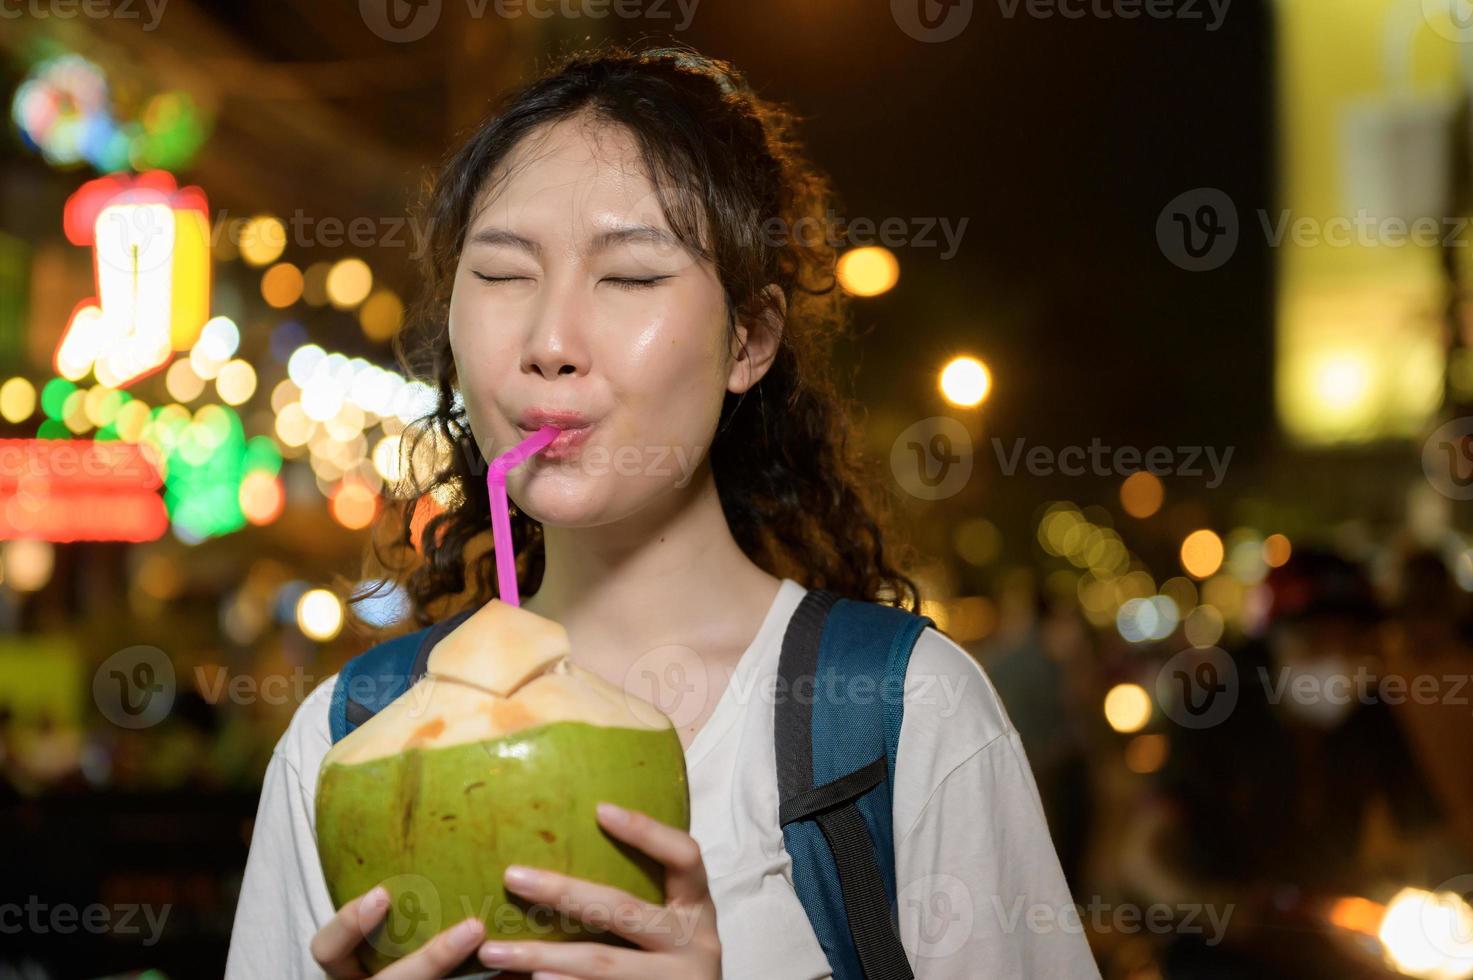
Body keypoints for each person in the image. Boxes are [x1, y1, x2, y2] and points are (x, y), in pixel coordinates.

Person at [225, 45, 1095, 980]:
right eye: (503, 274)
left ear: (748, 340)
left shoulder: (902, 717)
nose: (549, 343)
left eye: (631, 277)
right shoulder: (345, 741)